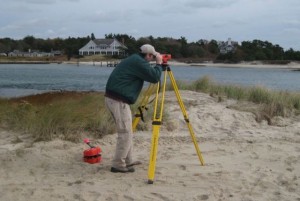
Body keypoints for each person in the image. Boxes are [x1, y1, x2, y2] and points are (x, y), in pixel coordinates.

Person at [105, 44, 163, 173]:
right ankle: (118, 164)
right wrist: (159, 64)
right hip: (118, 100)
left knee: (128, 130)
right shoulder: (139, 63)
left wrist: (157, 64)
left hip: (117, 99)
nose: (152, 59)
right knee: (125, 132)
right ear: (148, 55)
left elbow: (151, 74)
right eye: (152, 57)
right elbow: (154, 78)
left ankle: (128, 160)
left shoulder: (135, 59)